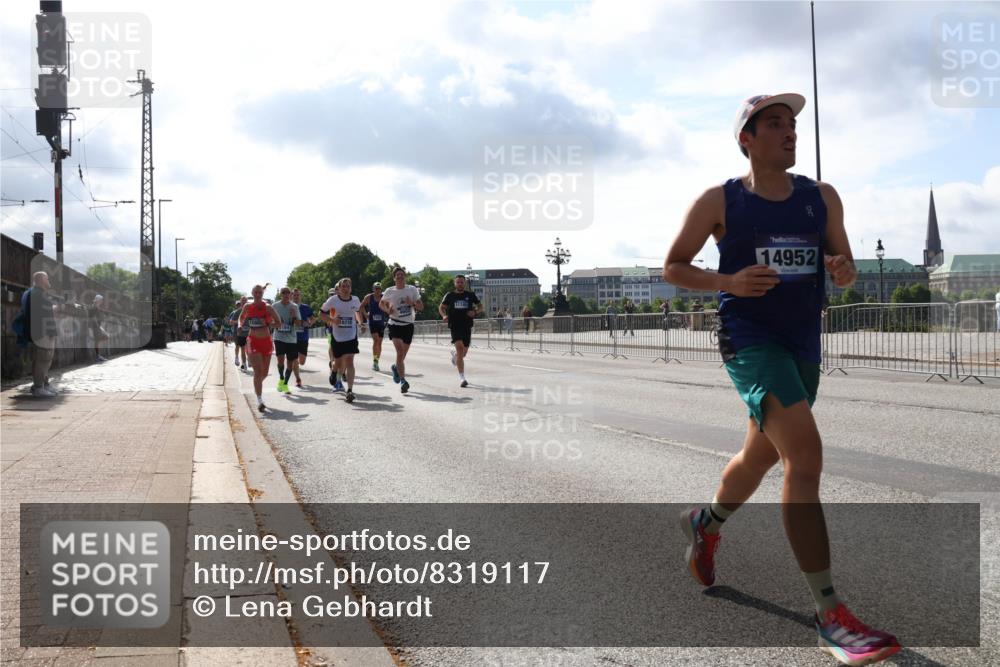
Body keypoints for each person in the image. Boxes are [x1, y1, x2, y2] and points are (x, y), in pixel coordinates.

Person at [663, 93, 899, 666]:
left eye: (793, 124)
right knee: (805, 456)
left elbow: (843, 270)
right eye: (775, 124)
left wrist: (844, 270)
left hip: (802, 344)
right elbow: (673, 266)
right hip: (749, 340)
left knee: (761, 456)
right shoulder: (720, 199)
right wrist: (730, 281)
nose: (789, 133)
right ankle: (830, 614)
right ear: (746, 138)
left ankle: (706, 520)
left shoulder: (822, 198)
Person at [22, 271, 66, 397]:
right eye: (47, 278)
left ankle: (43, 384)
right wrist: (56, 308)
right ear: (41, 280)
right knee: (42, 360)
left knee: (46, 360)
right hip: (42, 333)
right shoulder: (36, 294)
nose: (48, 280)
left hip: (44, 332)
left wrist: (53, 309)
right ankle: (38, 388)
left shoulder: (38, 294)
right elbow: (41, 313)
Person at [379, 266, 423, 394]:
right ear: (394, 278)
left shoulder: (412, 290)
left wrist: (412, 304)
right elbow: (381, 303)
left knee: (402, 355)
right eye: (397, 275)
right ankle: (403, 381)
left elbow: (421, 306)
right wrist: (388, 310)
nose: (399, 276)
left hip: (408, 325)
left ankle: (395, 367)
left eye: (401, 274)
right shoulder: (390, 291)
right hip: (394, 324)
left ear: (405, 277)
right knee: (399, 352)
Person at [320, 278, 364, 403]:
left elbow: (357, 312)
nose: (345, 288)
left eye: (348, 286)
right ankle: (334, 371)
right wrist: (332, 320)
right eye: (343, 286)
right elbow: (321, 314)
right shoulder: (333, 300)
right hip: (337, 336)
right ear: (338, 289)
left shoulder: (355, 300)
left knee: (349, 361)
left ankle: (349, 390)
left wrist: (360, 323)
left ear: (351, 288)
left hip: (351, 335)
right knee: (338, 363)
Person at [239, 284, 280, 412]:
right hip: (253, 341)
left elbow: (278, 323)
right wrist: (240, 325)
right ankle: (260, 400)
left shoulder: (268, 307)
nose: (257, 294)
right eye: (255, 292)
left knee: (265, 373)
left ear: (262, 293)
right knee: (257, 372)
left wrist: (267, 322)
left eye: (259, 292)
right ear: (252, 293)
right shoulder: (247, 306)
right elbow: (241, 318)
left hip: (266, 342)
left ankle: (257, 385)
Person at [439, 274, 483, 388]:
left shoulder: (470, 295)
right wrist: (444, 316)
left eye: (462, 282)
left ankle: (456, 357)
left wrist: (475, 312)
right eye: (458, 282)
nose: (460, 284)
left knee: (463, 353)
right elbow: (441, 307)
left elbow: (480, 306)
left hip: (467, 326)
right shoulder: (450, 295)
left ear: (465, 283)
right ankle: (462, 378)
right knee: (459, 348)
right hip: (454, 325)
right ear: (455, 284)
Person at [271, 287, 302, 394]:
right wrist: (276, 324)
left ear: (291, 294)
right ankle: (281, 378)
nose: (286, 294)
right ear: (281, 294)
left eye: (288, 293)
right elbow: (270, 322)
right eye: (284, 293)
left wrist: (294, 317)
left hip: (291, 339)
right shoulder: (275, 306)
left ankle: (285, 384)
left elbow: (299, 324)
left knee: (290, 363)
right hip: (279, 337)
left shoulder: (294, 306)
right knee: (280, 360)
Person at [290, 288, 315, 388]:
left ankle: (297, 371)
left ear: (300, 296)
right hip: (291, 337)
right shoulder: (289, 307)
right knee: (294, 359)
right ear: (291, 296)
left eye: (298, 295)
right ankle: (298, 379)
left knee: (302, 362)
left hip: (303, 337)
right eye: (294, 295)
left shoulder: (306, 307)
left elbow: (313, 319)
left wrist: (309, 323)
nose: (296, 296)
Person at [359, 282, 386, 371]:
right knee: (376, 340)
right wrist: (365, 314)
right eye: (376, 288)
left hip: (381, 323)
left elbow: (389, 306)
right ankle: (375, 362)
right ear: (373, 289)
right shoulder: (369, 297)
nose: (378, 290)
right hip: (372, 322)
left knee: (380, 343)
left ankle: (377, 361)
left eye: (379, 289)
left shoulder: (384, 297)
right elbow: (361, 306)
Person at [227, 298, 249, 370]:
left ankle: (246, 361)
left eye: (245, 302)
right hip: (238, 333)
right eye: (241, 303)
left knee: (248, 348)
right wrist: (240, 322)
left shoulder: (250, 311)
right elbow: (230, 322)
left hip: (249, 333)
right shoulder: (236, 312)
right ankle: (238, 358)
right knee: (238, 346)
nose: (242, 304)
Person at [88, 294, 110, 362]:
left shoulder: (96, 307)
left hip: (97, 326)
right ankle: (97, 356)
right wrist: (98, 327)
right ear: (98, 300)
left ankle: (98, 356)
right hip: (95, 327)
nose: (102, 301)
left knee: (105, 337)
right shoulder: (93, 307)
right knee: (99, 339)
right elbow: (93, 318)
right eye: (101, 300)